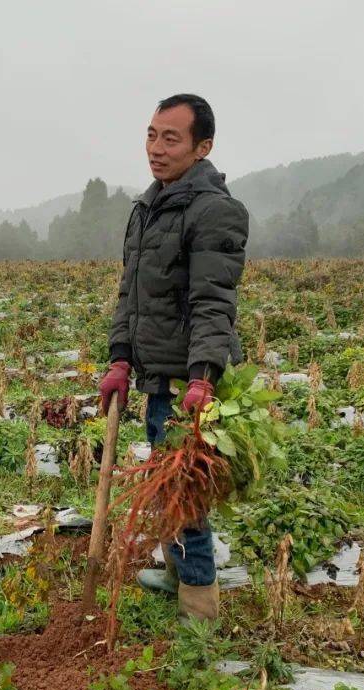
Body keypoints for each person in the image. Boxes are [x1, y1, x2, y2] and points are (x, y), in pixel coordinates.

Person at [98, 93, 248, 622]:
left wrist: (203, 378)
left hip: (189, 378)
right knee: (165, 481)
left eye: (171, 138)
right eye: (151, 134)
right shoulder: (147, 206)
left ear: (202, 146)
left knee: (184, 492)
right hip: (155, 374)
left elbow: (214, 302)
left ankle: (199, 603)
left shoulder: (215, 211)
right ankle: (173, 571)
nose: (155, 149)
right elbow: (130, 293)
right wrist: (120, 358)